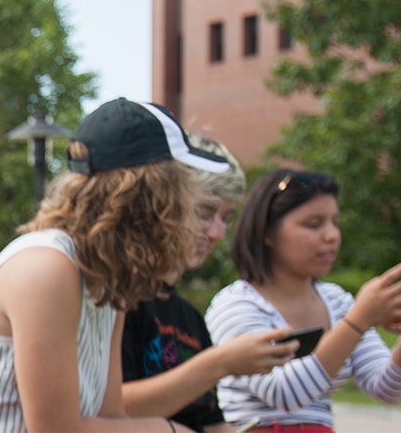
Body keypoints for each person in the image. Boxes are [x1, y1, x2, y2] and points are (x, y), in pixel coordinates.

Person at [0, 99, 230, 433]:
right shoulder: (47, 268)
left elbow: (111, 416)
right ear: (153, 196)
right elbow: (57, 431)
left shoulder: (111, 278)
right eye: (186, 190)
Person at [207, 169, 401, 432]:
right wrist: (357, 322)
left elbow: (389, 390)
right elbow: (284, 393)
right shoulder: (236, 305)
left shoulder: (336, 301)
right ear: (267, 232)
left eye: (335, 222)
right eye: (313, 224)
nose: (331, 236)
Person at [118, 133, 298, 433]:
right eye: (204, 213)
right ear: (163, 203)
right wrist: (220, 363)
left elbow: (210, 424)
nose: (217, 232)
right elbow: (113, 409)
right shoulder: (118, 300)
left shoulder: (189, 318)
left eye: (226, 217)